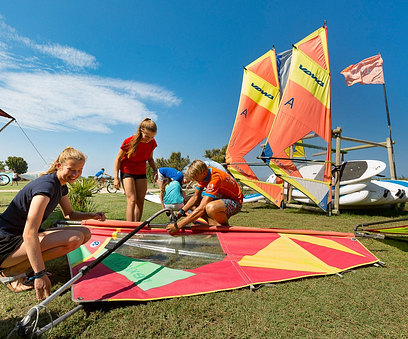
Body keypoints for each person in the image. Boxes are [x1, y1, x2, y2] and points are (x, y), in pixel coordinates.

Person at [0, 147, 106, 300]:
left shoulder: (60, 185)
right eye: (71, 169)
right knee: (74, 238)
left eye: (80, 170)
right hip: (6, 243)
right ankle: (10, 273)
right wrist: (40, 273)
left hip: (19, 239)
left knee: (85, 233)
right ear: (59, 166)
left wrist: (92, 215)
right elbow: (29, 233)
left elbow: (69, 214)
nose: (75, 174)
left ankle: (18, 267)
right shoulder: (46, 186)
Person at [166, 159, 243, 234]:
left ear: (203, 173)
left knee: (210, 208)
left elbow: (201, 209)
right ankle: (213, 224)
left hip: (236, 203)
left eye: (196, 178)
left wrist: (178, 225)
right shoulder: (204, 174)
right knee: (187, 200)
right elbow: (195, 197)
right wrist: (180, 212)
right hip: (221, 199)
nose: (196, 180)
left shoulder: (215, 178)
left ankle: (225, 229)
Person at [113, 118, 158, 222]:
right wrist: (116, 177)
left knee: (140, 200)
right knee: (132, 199)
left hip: (141, 171)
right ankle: (129, 229)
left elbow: (150, 158)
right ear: (141, 130)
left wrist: (155, 169)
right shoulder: (129, 141)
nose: (149, 139)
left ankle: (137, 227)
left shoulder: (151, 142)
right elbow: (118, 159)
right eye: (147, 136)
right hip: (127, 170)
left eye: (152, 137)